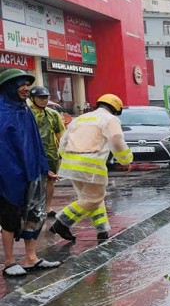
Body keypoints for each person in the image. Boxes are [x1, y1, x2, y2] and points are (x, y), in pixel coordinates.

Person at [0, 69, 62, 276]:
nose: (26, 88)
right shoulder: (2, 112)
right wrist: (12, 174)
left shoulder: (25, 111)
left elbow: (35, 143)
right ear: (9, 87)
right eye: (21, 84)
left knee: (34, 214)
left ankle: (30, 257)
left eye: (28, 84)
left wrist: (45, 169)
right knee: (9, 218)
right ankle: (9, 262)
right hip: (9, 176)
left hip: (33, 173)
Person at [50, 94, 133, 242]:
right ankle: (61, 223)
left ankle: (102, 231)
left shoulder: (81, 118)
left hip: (71, 163)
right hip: (91, 164)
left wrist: (63, 157)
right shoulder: (110, 119)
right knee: (93, 198)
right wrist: (126, 160)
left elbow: (64, 139)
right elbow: (116, 140)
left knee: (90, 198)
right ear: (115, 109)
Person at [27, 86, 66, 218]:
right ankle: (30, 207)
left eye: (46, 98)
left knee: (50, 181)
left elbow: (61, 134)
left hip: (50, 153)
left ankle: (48, 207)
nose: (44, 100)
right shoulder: (27, 113)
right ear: (32, 99)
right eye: (40, 98)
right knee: (31, 181)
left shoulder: (53, 114)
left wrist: (64, 151)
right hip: (31, 153)